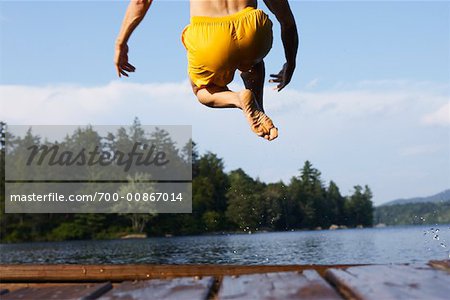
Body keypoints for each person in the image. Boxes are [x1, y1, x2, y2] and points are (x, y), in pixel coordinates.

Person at [115, 0, 298, 141]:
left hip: (209, 38)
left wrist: (121, 43)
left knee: (203, 92)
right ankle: (259, 108)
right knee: (253, 63)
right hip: (252, 30)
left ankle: (240, 100)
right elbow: (287, 22)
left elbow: (141, 2)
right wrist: (290, 63)